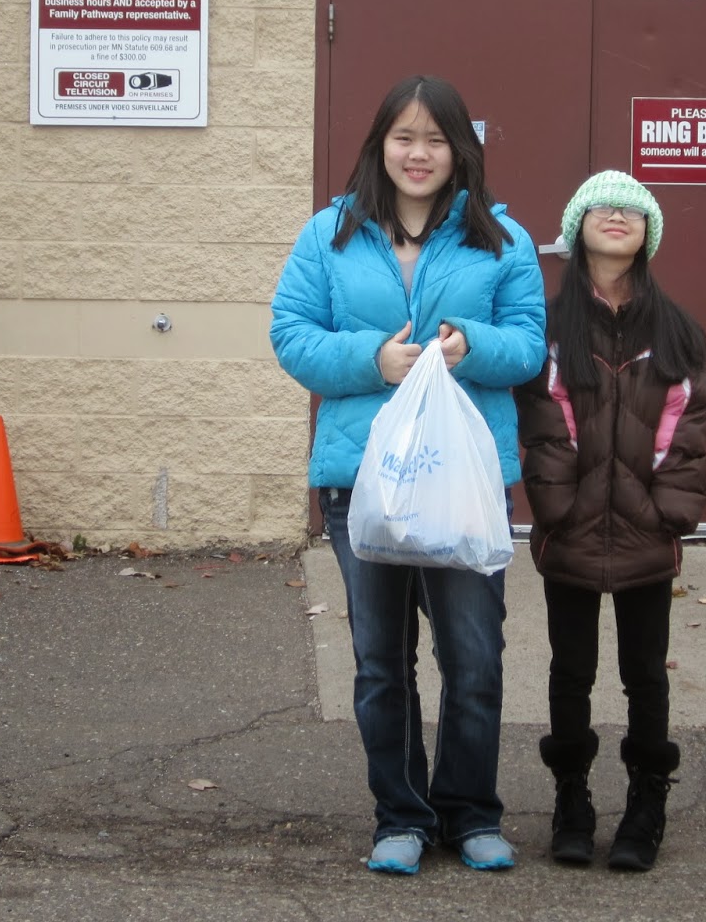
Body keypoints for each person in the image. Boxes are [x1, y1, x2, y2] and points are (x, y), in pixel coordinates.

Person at [270, 74, 546, 875]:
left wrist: (473, 346)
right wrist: (373, 360)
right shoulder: (330, 234)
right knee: (381, 661)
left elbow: (529, 344)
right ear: (379, 146)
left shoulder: (502, 239)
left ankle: (470, 814)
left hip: (461, 483)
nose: (419, 154)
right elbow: (290, 334)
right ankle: (401, 815)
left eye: (435, 138)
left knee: (474, 656)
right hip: (365, 482)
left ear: (462, 148)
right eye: (404, 138)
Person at [514, 169, 706, 872]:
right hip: (570, 531)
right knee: (571, 671)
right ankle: (571, 800)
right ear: (575, 231)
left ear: (649, 234)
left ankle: (645, 802)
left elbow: (685, 433)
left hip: (644, 535)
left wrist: (667, 517)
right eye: (602, 207)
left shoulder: (676, 331)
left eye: (633, 210)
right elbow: (544, 426)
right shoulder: (547, 328)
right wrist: (557, 510)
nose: (618, 216)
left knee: (644, 674)